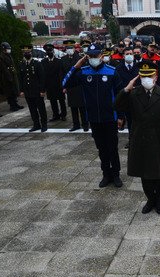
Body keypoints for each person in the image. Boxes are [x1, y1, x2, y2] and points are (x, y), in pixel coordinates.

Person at [115, 62, 160, 215]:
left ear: (155, 77)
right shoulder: (133, 94)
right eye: (143, 76)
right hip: (140, 139)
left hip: (159, 139)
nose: (146, 79)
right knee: (144, 174)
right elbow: (116, 106)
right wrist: (126, 89)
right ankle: (151, 199)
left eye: (149, 76)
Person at [63, 43, 123, 188]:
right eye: (90, 56)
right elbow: (65, 83)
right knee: (101, 148)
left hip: (110, 117)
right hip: (94, 118)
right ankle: (106, 174)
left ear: (101, 56)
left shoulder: (111, 71)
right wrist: (76, 65)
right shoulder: (83, 72)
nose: (93, 58)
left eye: (96, 56)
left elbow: (120, 95)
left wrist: (120, 116)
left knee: (112, 148)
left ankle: (116, 175)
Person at [60, 39, 88, 132]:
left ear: (74, 48)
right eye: (67, 48)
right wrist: (64, 86)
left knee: (82, 107)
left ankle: (85, 124)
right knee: (73, 107)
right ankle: (76, 124)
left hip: (79, 85)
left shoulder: (80, 58)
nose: (69, 49)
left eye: (71, 47)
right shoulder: (63, 59)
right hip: (70, 86)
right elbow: (62, 74)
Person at [19, 44, 48, 132]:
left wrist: (42, 90)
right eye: (25, 52)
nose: (26, 54)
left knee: (41, 108)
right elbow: (20, 78)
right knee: (32, 109)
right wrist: (21, 90)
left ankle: (44, 124)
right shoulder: (22, 64)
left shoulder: (37, 64)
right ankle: (36, 124)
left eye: (28, 52)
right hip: (28, 91)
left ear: (31, 53)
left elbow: (42, 77)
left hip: (37, 91)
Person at [42, 43, 67, 122]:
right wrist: (44, 87)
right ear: (46, 52)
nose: (49, 53)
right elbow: (43, 75)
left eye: (51, 51)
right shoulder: (43, 62)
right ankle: (55, 115)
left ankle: (63, 115)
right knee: (52, 101)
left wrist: (63, 85)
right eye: (48, 51)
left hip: (58, 84)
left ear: (53, 51)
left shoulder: (59, 61)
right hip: (50, 85)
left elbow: (63, 73)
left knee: (61, 101)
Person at [0, 42, 23, 112]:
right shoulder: (1, 57)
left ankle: (15, 103)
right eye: (7, 49)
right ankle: (12, 105)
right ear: (3, 49)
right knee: (10, 92)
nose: (9, 50)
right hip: (7, 77)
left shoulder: (8, 55)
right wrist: (9, 78)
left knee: (14, 91)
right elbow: (4, 69)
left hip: (12, 76)